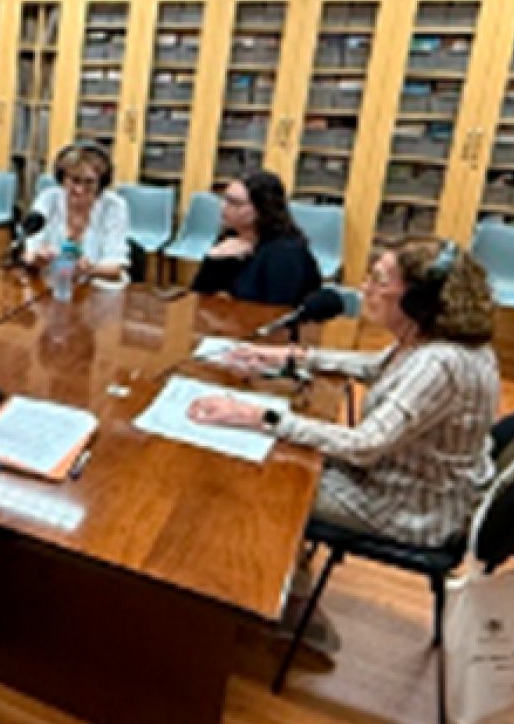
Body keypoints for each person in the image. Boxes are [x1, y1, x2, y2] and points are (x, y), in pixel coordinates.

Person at [189, 239, 498, 654]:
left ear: (418, 300)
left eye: (379, 280)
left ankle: (278, 605)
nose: (365, 287)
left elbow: (364, 445)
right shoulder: (432, 344)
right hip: (404, 482)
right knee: (288, 456)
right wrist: (286, 357)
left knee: (269, 477)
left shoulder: (440, 363)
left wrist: (258, 416)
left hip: (406, 507)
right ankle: (285, 589)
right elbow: (371, 366)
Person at [191, 171, 321, 306]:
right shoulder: (232, 236)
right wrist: (213, 259)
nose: (223, 207)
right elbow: (198, 299)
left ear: (262, 208)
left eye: (235, 203)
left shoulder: (285, 252)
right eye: (224, 199)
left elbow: (275, 308)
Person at [23, 142, 130, 282]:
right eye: (74, 180)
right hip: (52, 283)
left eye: (89, 182)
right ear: (62, 179)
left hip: (96, 286)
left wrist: (89, 269)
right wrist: (38, 258)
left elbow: (115, 268)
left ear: (101, 182)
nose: (79, 190)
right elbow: (29, 254)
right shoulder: (48, 199)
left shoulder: (114, 206)